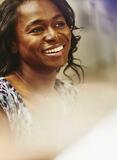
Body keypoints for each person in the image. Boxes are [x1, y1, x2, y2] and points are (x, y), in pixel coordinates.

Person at [0, 0, 83, 144]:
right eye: (37, 29)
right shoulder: (3, 99)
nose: (53, 35)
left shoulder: (69, 93)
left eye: (59, 24)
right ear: (13, 43)